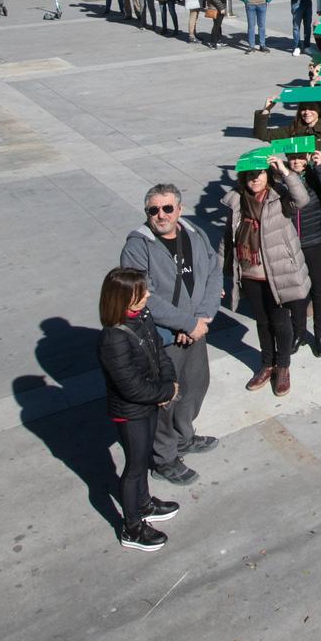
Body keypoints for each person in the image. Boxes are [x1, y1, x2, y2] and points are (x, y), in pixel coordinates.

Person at [120, 184, 221, 487]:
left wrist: (202, 318)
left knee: (195, 386)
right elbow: (143, 296)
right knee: (165, 399)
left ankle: (184, 437)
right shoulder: (138, 246)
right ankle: (164, 459)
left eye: (167, 208)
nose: (160, 215)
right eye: (153, 210)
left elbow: (214, 271)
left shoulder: (194, 232)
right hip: (165, 338)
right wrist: (185, 324)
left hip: (197, 329)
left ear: (179, 208)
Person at [97, 267, 181, 551]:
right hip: (131, 411)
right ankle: (131, 527)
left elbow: (159, 351)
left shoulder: (141, 317)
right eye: (140, 293)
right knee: (134, 467)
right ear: (122, 299)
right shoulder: (113, 339)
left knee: (143, 459)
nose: (147, 296)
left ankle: (143, 504)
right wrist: (165, 392)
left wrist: (169, 380)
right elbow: (130, 386)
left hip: (149, 404)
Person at [223, 157, 310, 394]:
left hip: (277, 272)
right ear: (243, 177)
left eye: (260, 173)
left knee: (280, 322)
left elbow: (302, 199)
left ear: (268, 175)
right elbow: (228, 239)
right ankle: (267, 364)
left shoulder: (279, 197)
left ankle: (283, 367)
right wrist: (223, 273)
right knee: (262, 322)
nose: (256, 178)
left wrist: (285, 171)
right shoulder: (237, 201)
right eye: (251, 174)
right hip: (250, 273)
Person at [282, 149, 321, 355]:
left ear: (307, 157)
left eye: (301, 157)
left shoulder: (315, 175)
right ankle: (298, 332)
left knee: (319, 289)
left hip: (317, 241)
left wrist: (320, 168)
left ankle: (320, 334)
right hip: (292, 244)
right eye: (292, 157)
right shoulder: (282, 178)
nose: (296, 161)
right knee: (297, 293)